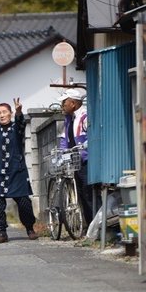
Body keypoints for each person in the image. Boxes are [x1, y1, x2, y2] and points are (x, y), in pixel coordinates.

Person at [0, 98, 39, 243]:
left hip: (16, 171)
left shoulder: (16, 128)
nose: (1, 115)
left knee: (24, 202)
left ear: (10, 113)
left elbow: (21, 123)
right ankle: (2, 232)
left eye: (4, 112)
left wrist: (19, 111)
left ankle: (30, 228)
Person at [57, 88, 94, 224]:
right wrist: (60, 156)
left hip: (86, 162)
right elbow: (64, 140)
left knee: (88, 194)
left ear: (73, 103)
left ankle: (97, 227)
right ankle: (90, 226)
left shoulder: (84, 117)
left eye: (64, 103)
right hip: (76, 162)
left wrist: (84, 146)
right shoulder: (69, 119)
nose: (62, 106)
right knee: (81, 195)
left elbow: (92, 136)